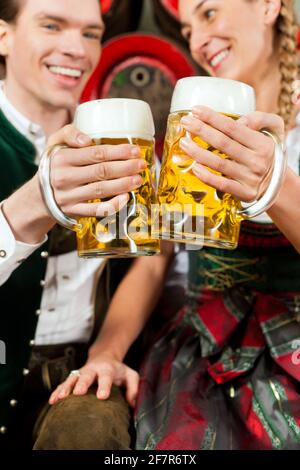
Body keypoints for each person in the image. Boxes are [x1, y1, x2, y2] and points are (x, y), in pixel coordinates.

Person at [50, 0, 300, 451]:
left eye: (208, 14)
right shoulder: (192, 126)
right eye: (187, 30)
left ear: (268, 6)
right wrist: (105, 354)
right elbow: (153, 263)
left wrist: (275, 184)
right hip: (199, 343)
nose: (197, 41)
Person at [0, 0, 148, 450]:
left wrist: (107, 351)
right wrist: (32, 203)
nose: (77, 49)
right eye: (52, 25)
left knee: (88, 430)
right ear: (2, 35)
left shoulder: (120, 136)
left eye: (90, 33)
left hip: (78, 382)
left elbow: (150, 259)